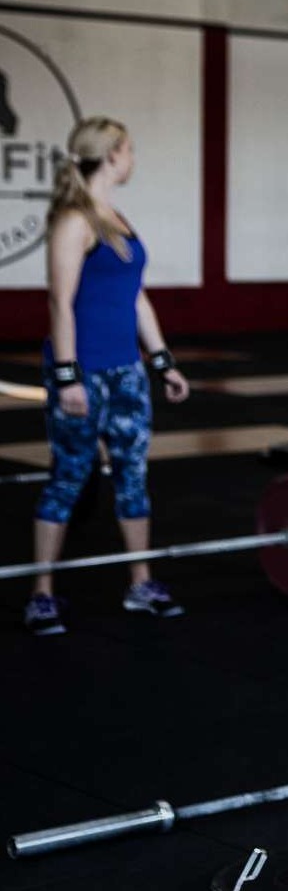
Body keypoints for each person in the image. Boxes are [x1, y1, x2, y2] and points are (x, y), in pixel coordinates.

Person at [24, 117, 191, 637]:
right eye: (131, 150)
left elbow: (135, 296)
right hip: (84, 372)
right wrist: (69, 377)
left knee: (132, 474)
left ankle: (140, 584)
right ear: (114, 154)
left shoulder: (115, 217)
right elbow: (60, 301)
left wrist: (162, 360)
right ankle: (42, 595)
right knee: (69, 477)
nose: (133, 158)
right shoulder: (73, 221)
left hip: (127, 371)